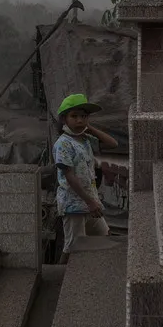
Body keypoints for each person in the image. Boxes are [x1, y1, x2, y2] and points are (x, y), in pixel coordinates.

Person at [53, 93, 119, 264]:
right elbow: (69, 175)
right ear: (64, 119)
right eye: (74, 116)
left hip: (91, 202)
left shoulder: (85, 139)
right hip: (74, 204)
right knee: (72, 247)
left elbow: (113, 144)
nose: (79, 120)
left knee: (104, 235)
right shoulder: (63, 143)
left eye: (83, 116)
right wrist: (89, 202)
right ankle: (58, 275)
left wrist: (90, 129)